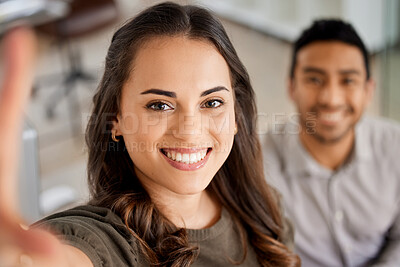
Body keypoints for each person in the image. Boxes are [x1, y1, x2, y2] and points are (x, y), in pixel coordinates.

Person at [0, 2, 300, 266]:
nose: (190, 130)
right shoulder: (108, 242)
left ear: (236, 116)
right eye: (160, 105)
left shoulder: (259, 206)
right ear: (115, 119)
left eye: (212, 102)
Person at [263, 19, 400, 267]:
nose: (331, 99)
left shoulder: (395, 147)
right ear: (292, 87)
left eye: (348, 81)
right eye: (315, 80)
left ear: (369, 90)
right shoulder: (258, 163)